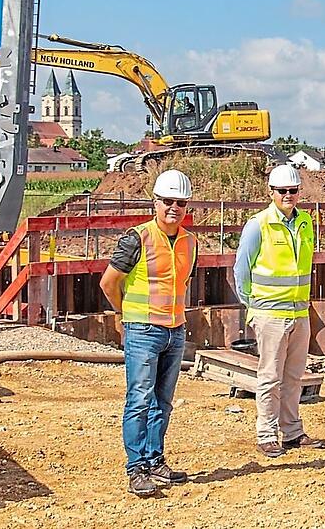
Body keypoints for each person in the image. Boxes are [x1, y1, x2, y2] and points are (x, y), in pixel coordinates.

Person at [99, 169, 198, 497]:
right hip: (143, 329)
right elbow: (108, 283)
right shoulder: (137, 238)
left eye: (180, 202)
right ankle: (136, 467)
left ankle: (155, 460)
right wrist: (122, 314)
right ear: (155, 203)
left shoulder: (190, 242)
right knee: (139, 399)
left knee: (163, 402)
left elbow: (182, 284)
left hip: (175, 330)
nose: (174, 208)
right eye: (168, 201)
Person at [234, 164, 324, 458]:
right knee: (270, 376)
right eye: (282, 191)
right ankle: (267, 434)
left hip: (299, 312)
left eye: (293, 190)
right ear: (271, 192)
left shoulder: (305, 223)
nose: (288, 195)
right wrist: (253, 306)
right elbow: (241, 270)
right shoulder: (258, 224)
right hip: (270, 313)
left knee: (294, 376)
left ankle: (292, 431)